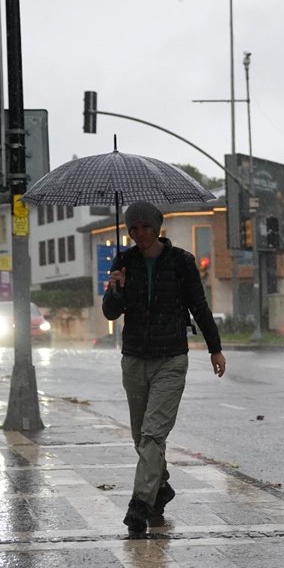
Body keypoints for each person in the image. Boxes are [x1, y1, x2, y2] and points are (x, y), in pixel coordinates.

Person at [102, 201, 226, 533]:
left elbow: (198, 306)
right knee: (141, 438)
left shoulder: (181, 261)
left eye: (145, 226)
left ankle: (139, 505)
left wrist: (215, 349)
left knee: (154, 433)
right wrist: (116, 288)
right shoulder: (124, 261)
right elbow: (111, 313)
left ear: (158, 227)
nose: (139, 234)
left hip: (171, 358)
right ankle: (161, 485)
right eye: (133, 228)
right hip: (134, 358)